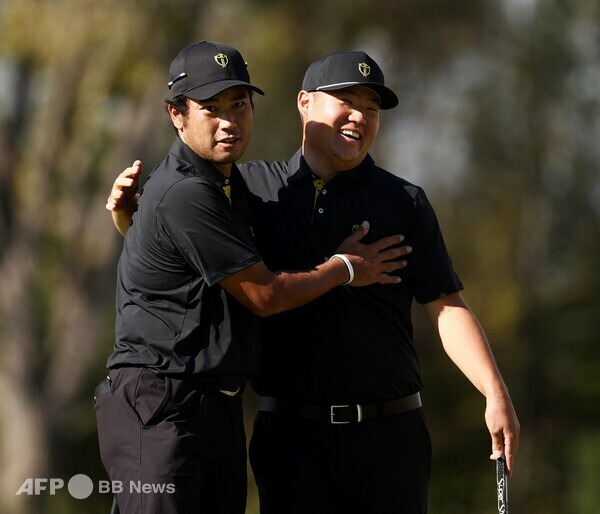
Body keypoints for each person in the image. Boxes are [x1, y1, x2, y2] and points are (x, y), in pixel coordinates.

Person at [108, 50, 520, 514]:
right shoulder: (247, 189)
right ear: (304, 104)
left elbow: (445, 307)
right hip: (290, 442)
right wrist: (130, 218)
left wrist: (494, 390)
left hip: (391, 438)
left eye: (371, 108)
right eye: (346, 100)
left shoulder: (403, 201)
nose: (359, 116)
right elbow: (182, 248)